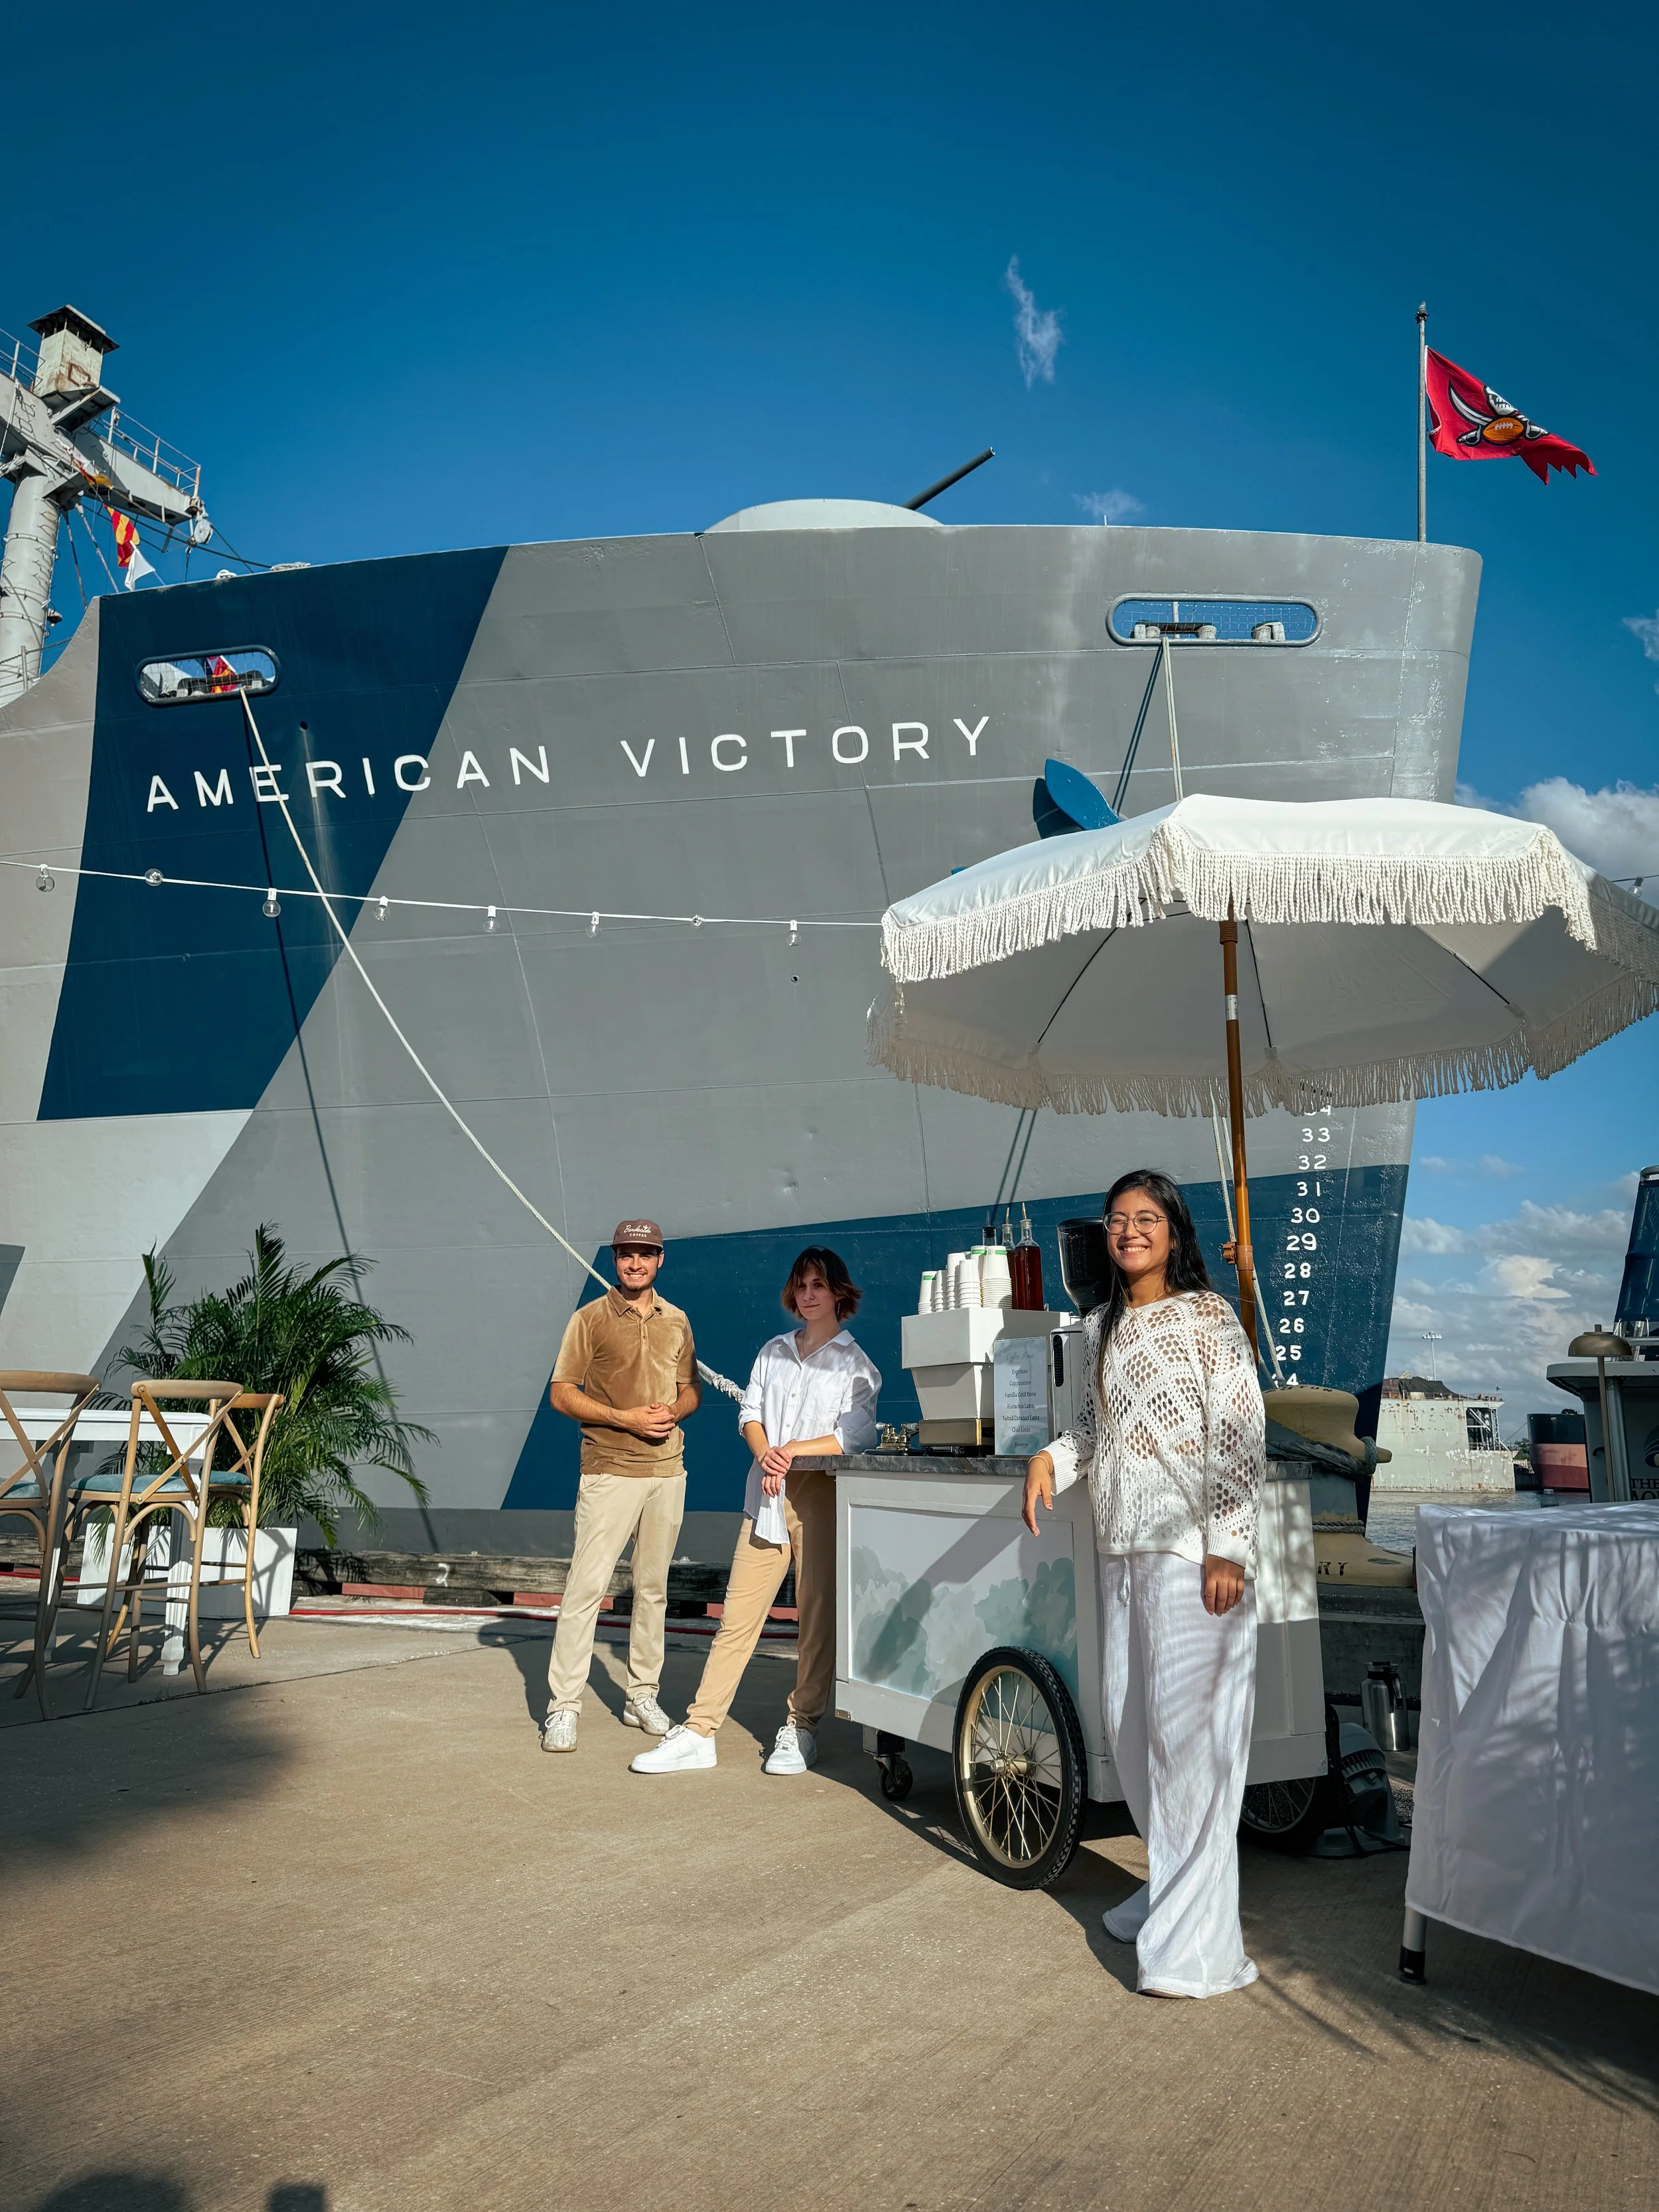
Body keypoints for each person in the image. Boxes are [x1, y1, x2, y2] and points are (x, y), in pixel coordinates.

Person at [1023, 1169, 1264, 1998]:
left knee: (1191, 1744)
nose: (1129, 1230)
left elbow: (1239, 1432)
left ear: (1174, 1231)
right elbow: (1094, 1428)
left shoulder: (1208, 1316)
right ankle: (1170, 1881)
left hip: (1191, 1556)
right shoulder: (1103, 1325)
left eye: (1146, 1218)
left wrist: (1229, 1546)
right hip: (1121, 1550)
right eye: (1118, 1219)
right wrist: (1050, 1459)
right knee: (1132, 1732)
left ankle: (1198, 1949)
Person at [630, 1246, 879, 1777]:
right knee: (737, 1618)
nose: (809, 1295)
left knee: (815, 1620)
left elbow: (852, 1434)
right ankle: (700, 1731)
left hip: (819, 1496)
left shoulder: (857, 1364)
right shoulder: (773, 1351)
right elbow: (751, 1411)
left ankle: (802, 1726)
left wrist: (790, 1453)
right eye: (802, 1286)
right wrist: (766, 1452)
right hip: (766, 1494)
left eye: (818, 1285)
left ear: (838, 1292)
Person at [541, 1219, 700, 1753]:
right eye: (627, 1254)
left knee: (653, 1590)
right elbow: (562, 1393)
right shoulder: (588, 1320)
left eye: (645, 1254)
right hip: (609, 1469)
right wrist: (625, 1419)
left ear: (660, 1259)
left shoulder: (677, 1319)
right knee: (585, 1590)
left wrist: (675, 1409)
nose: (636, 1263)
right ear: (615, 1259)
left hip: (667, 1472)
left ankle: (641, 1695)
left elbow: (691, 1391)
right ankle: (563, 1706)